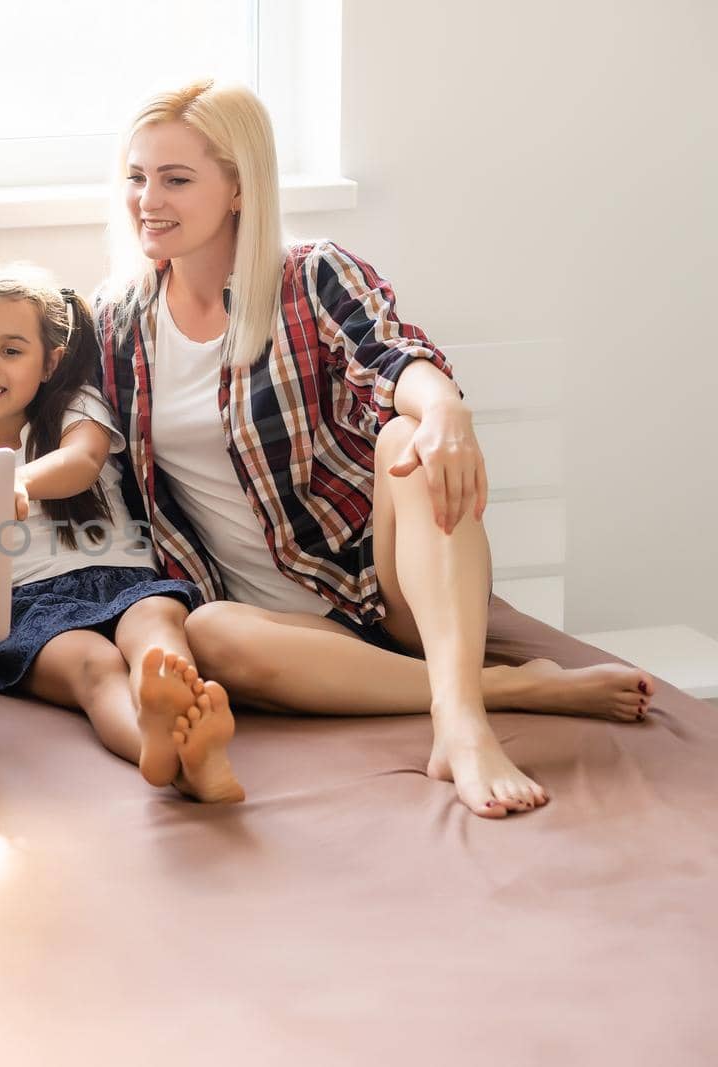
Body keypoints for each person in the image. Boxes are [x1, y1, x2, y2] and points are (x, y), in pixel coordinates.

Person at [95, 79, 653, 819]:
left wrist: (444, 408)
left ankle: (462, 723)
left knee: (407, 440)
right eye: (136, 177)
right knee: (201, 630)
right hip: (274, 631)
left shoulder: (310, 276)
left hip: (383, 585)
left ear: (237, 188)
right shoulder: (116, 323)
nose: (147, 198)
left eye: (175, 178)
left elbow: (394, 360)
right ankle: (513, 685)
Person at [0, 266, 243, 803]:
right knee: (95, 669)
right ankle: (174, 757)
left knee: (156, 628)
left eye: (12, 351)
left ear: (50, 361)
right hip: (24, 606)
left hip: (123, 579)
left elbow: (81, 461)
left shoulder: (78, 406)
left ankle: (174, 707)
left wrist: (15, 481)